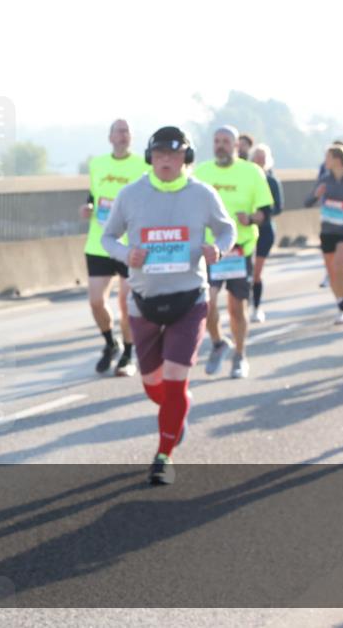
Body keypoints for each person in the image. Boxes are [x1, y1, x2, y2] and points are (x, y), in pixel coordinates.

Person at [102, 126, 236, 485]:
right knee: (153, 386)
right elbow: (107, 236)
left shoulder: (202, 194)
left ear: (186, 159)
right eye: (160, 154)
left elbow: (228, 229)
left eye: (174, 155)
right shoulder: (131, 195)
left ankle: (163, 456)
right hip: (143, 300)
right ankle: (178, 412)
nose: (166, 161)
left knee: (175, 381)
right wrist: (124, 253)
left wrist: (218, 249)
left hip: (190, 298)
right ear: (150, 157)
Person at [194, 126, 274, 379]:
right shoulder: (201, 172)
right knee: (205, 305)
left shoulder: (252, 172)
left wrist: (250, 218)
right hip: (209, 251)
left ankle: (240, 356)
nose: (221, 145)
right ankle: (219, 342)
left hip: (240, 250)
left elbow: (265, 213)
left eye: (226, 141)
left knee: (237, 308)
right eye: (217, 141)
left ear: (236, 145)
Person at [79, 119, 148, 376]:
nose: (123, 135)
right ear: (110, 137)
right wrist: (88, 207)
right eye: (119, 131)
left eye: (127, 130)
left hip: (130, 244)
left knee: (126, 303)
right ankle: (111, 344)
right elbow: (94, 195)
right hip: (99, 242)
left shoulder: (143, 165)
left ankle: (129, 355)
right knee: (96, 301)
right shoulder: (97, 164)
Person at [303, 143, 343, 325]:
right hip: (328, 230)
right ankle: (341, 303)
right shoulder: (324, 179)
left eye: (328, 157)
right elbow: (307, 202)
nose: (325, 160)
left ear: (337, 160)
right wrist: (317, 194)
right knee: (332, 271)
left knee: (339, 266)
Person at [250, 144, 284, 322]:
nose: (260, 160)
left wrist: (263, 215)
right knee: (244, 272)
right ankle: (244, 302)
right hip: (246, 230)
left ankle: (256, 307)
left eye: (263, 157)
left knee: (256, 272)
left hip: (265, 231)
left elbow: (279, 207)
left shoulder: (272, 181)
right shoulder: (245, 178)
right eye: (257, 156)